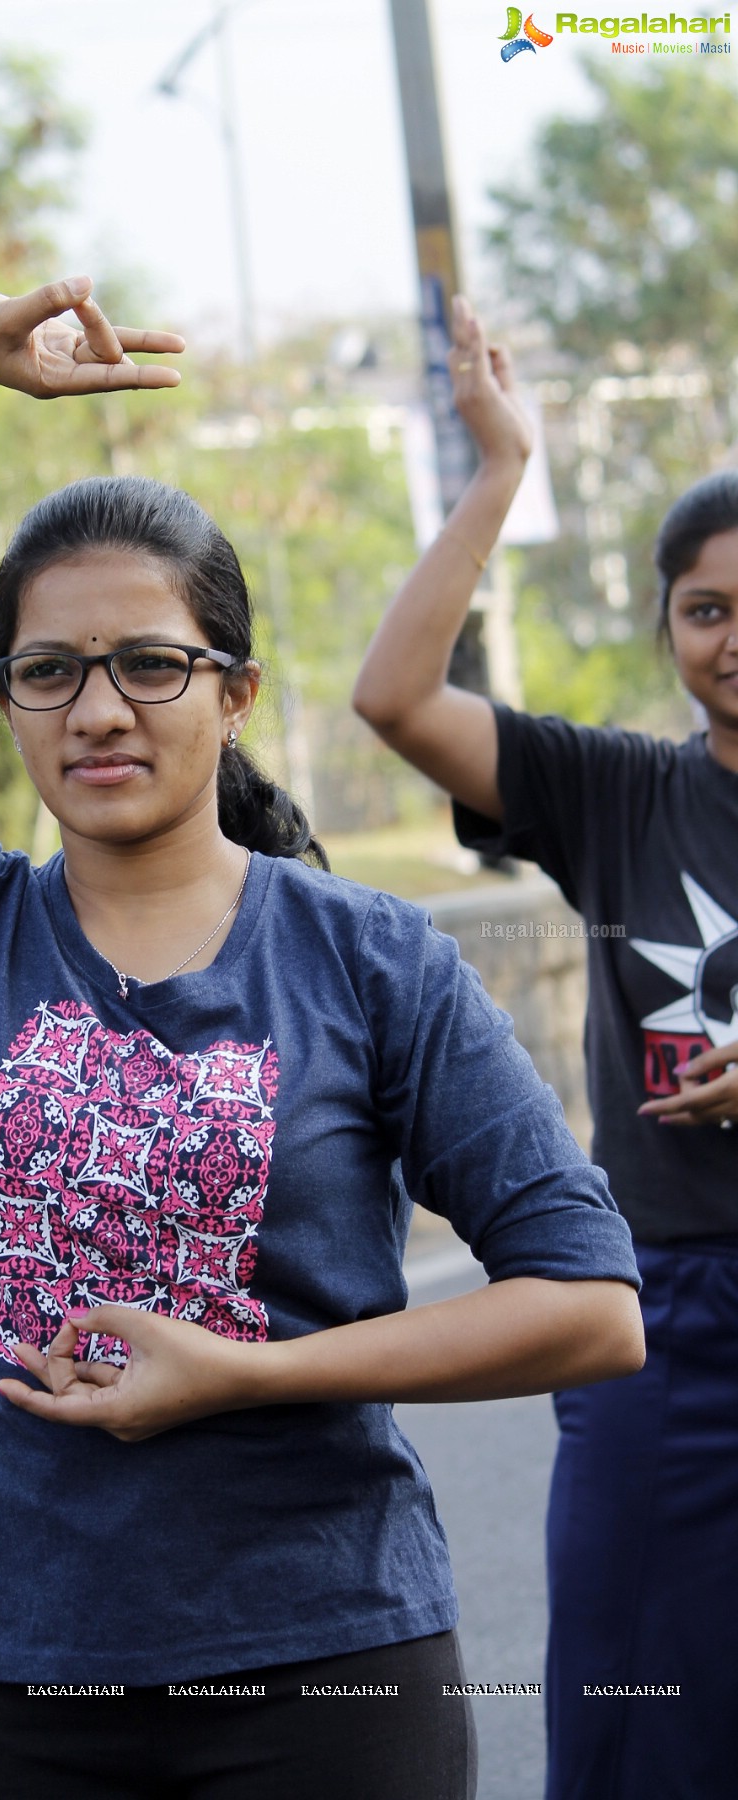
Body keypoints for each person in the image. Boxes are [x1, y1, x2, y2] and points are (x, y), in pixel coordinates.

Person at [0, 276, 643, 1800]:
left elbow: (590, 1303)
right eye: (47, 672)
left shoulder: (369, 956)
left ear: (235, 693)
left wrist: (245, 1374)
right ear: (7, 704)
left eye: (150, 663)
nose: (97, 709)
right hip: (15, 1667)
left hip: (327, 1666)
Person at [352, 297, 738, 1800]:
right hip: (665, 1318)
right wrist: (501, 470)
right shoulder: (620, 793)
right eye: (705, 608)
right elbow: (394, 697)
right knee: (636, 1702)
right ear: (667, 630)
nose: (733, 637)